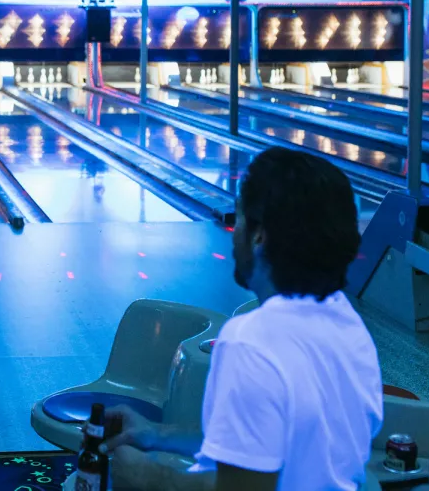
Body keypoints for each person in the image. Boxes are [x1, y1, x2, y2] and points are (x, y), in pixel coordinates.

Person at [102, 147, 383, 491]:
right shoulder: (346, 322)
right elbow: (271, 447)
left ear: (259, 235)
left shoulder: (252, 340)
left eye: (239, 219)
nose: (233, 232)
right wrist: (158, 434)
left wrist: (147, 478)